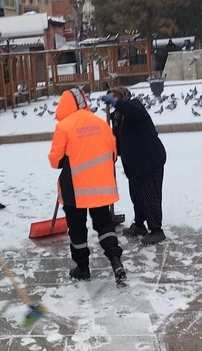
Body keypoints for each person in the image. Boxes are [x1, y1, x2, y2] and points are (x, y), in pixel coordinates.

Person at [48, 87, 126, 285]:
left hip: (75, 190)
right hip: (102, 186)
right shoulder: (100, 123)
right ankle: (115, 260)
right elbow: (113, 154)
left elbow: (55, 161)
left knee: (77, 229)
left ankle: (82, 268)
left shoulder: (64, 126)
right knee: (104, 224)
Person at [103, 86, 167, 245]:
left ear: (122, 96)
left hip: (149, 161)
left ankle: (157, 230)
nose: (113, 100)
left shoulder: (134, 106)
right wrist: (113, 151)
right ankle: (139, 225)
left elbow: (130, 110)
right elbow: (118, 139)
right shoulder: (118, 116)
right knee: (137, 196)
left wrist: (116, 104)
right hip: (134, 164)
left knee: (150, 196)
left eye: (115, 96)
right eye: (111, 97)